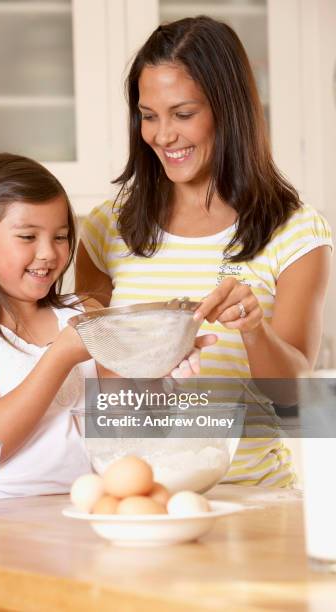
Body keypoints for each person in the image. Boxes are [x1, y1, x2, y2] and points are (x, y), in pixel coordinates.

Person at [76, 17, 333, 487]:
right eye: (148, 115)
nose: (162, 135)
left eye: (183, 113)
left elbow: (292, 394)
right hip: (138, 497)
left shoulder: (295, 231)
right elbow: (98, 386)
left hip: (255, 503)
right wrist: (147, 366)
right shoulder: (105, 229)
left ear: (227, 109)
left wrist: (254, 329)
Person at [0, 153, 203, 499]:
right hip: (4, 520)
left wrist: (161, 374)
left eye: (60, 236)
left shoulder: (83, 311)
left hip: (93, 509)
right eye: (28, 237)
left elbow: (123, 426)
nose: (49, 253)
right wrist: (60, 356)